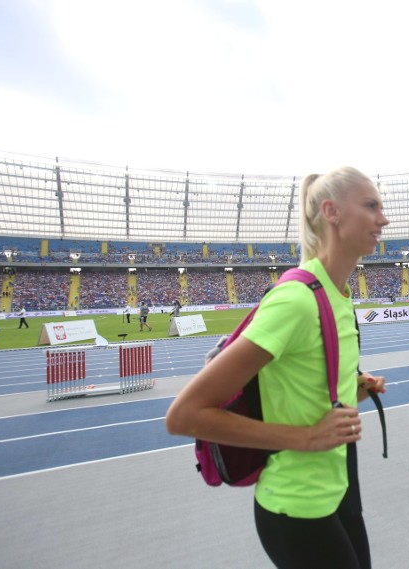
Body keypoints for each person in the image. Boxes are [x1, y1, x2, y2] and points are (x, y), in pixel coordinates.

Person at [166, 166, 389, 569]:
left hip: (336, 494)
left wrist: (354, 387)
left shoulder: (339, 295)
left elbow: (302, 388)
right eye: (371, 206)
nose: (383, 218)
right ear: (332, 211)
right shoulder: (296, 300)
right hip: (296, 510)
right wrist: (305, 437)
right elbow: (184, 416)